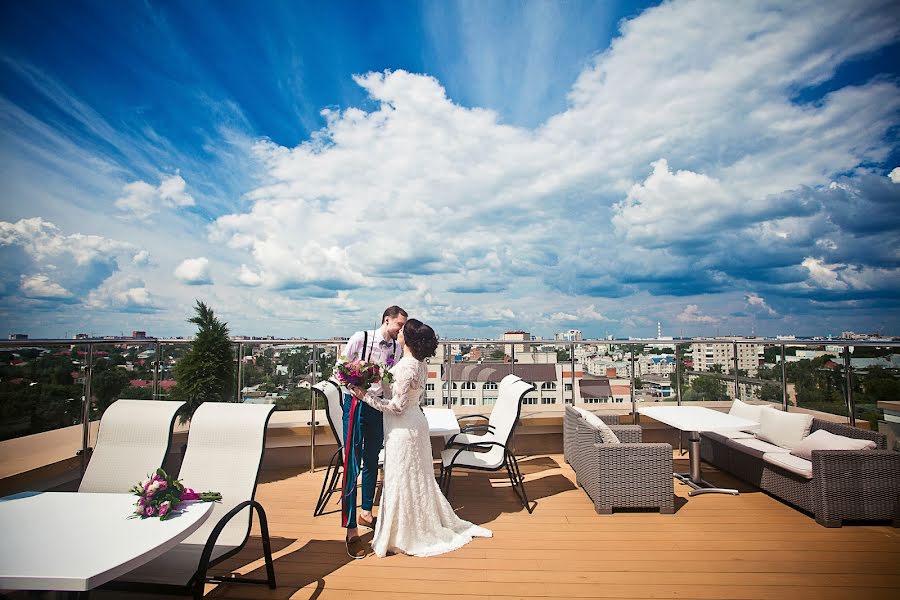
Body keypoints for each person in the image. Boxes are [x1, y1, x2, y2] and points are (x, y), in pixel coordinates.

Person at [349, 318, 492, 557]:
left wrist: (364, 396)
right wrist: (374, 374)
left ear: (408, 339)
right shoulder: (417, 363)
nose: (399, 332)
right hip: (414, 424)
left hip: (404, 430)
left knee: (402, 478)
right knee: (412, 478)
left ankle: (404, 533)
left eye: (403, 330)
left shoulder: (406, 367)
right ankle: (406, 527)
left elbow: (396, 407)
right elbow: (396, 387)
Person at [340, 305, 407, 559]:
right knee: (352, 465)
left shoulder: (397, 349)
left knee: (371, 461)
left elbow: (390, 380)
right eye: (399, 325)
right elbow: (340, 370)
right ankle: (350, 529)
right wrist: (354, 386)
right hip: (356, 405)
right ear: (387, 320)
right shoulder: (361, 338)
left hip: (377, 408)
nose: (401, 330)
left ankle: (366, 511)